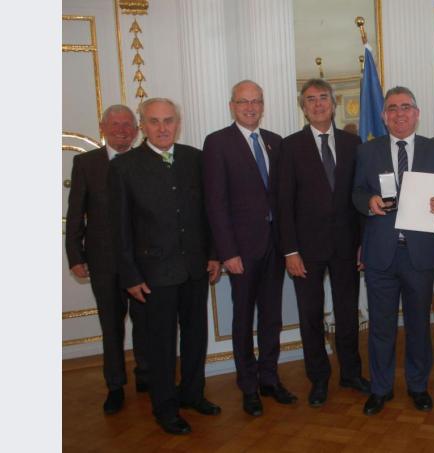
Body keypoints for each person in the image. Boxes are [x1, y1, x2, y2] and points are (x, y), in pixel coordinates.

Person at [108, 98, 222, 435]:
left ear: (178, 123)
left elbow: (208, 212)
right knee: (160, 345)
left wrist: (214, 254)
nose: (162, 128)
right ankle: (165, 407)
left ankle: (192, 394)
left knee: (196, 336)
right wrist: (129, 274)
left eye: (168, 121)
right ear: (143, 126)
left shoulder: (194, 159)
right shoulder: (124, 167)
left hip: (195, 268)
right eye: (154, 121)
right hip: (153, 274)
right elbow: (120, 228)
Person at [352, 86, 434, 416]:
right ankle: (380, 389)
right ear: (383, 116)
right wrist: (367, 202)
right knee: (380, 327)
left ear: (417, 113)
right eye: (392, 108)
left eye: (406, 107)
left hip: (420, 254)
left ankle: (417, 386)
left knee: (417, 326)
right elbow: (355, 193)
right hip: (381, 254)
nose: (399, 114)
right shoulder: (368, 152)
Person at [202, 80, 297, 417]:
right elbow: (215, 203)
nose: (251, 107)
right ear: (232, 106)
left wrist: (289, 247)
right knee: (243, 319)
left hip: (275, 248)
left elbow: (283, 200)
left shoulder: (275, 142)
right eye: (244, 102)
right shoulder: (217, 143)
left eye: (256, 101)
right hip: (241, 250)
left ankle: (270, 378)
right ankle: (248, 385)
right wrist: (227, 252)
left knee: (272, 317)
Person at [278, 79, 370, 407]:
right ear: (303, 108)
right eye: (310, 100)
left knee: (348, 313)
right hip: (306, 250)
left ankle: (351, 373)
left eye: (323, 99)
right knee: (310, 316)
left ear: (333, 104)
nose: (318, 104)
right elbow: (283, 204)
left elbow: (360, 197)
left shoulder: (353, 143)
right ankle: (318, 378)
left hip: (347, 246)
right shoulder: (289, 147)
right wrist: (290, 250)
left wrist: (364, 243)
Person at [65, 104, 149, 415]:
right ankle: (115, 385)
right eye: (115, 125)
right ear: (103, 128)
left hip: (143, 261)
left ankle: (146, 376)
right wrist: (75, 254)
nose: (122, 130)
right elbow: (76, 213)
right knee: (111, 326)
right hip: (104, 261)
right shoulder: (85, 163)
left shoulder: (147, 160)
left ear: (136, 130)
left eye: (127, 125)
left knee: (145, 323)